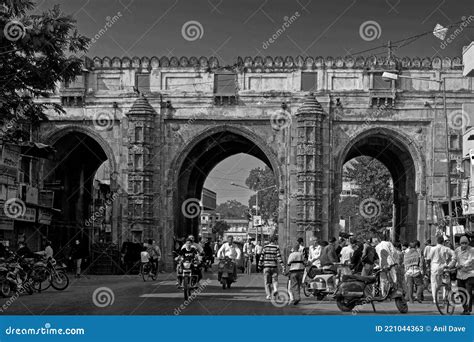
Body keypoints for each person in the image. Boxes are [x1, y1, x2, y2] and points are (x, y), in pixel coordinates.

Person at [448, 236, 474, 314]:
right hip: (460, 275)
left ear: (468, 243)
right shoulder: (457, 250)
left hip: (470, 274)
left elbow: (471, 260)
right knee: (461, 292)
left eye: (466, 243)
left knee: (468, 292)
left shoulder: (472, 250)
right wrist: (449, 266)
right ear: (460, 243)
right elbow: (454, 260)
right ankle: (465, 309)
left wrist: (463, 265)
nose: (464, 245)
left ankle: (468, 310)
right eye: (462, 243)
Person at [426, 236, 455, 304]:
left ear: (437, 241)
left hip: (434, 267)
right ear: (443, 242)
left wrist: (428, 267)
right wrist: (451, 264)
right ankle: (445, 297)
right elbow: (454, 254)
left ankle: (435, 299)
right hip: (444, 267)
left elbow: (428, 258)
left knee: (434, 283)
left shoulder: (432, 249)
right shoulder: (446, 249)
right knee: (445, 282)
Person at [258, 236, 285, 300]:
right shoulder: (276, 247)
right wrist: (283, 266)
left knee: (267, 282)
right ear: (275, 240)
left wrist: (259, 266)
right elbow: (279, 258)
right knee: (275, 280)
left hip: (266, 267)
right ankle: (275, 289)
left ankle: (269, 295)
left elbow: (261, 257)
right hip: (274, 267)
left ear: (269, 240)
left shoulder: (265, 247)